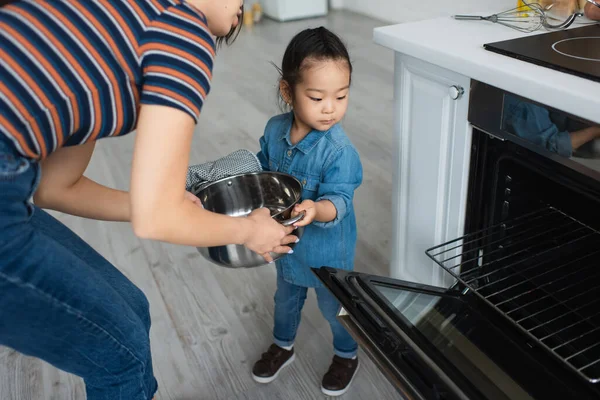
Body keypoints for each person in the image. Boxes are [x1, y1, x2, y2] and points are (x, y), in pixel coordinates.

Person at [0, 1, 299, 399]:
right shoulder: (182, 31)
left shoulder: (117, 21)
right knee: (121, 356)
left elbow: (55, 187)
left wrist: (172, 203)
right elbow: (156, 219)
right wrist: (249, 230)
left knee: (131, 309)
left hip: (13, 185)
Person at [251, 27, 363, 397]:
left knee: (336, 310)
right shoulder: (274, 129)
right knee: (285, 301)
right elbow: (264, 169)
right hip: (287, 247)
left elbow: (341, 201)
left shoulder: (338, 151)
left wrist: (318, 208)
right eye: (317, 97)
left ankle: (347, 353)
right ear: (288, 91)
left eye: (341, 96)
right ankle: (283, 345)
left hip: (328, 255)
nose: (330, 108)